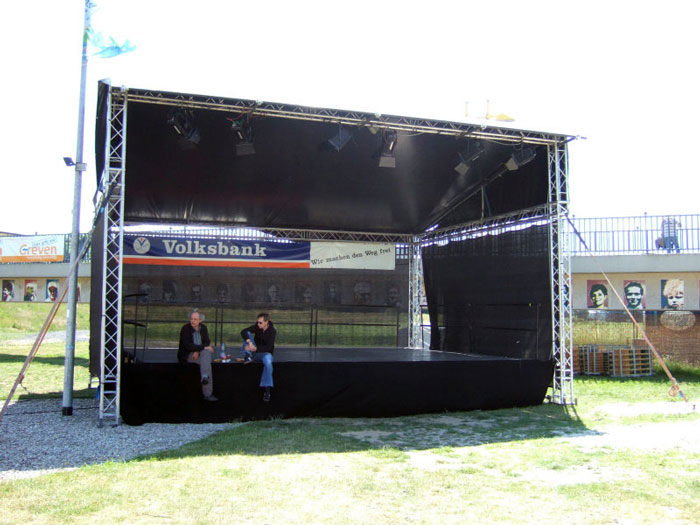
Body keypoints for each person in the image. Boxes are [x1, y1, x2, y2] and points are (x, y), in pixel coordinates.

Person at [178, 310, 217, 401]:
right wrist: (199, 349)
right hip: (187, 354)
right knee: (206, 361)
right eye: (191, 319)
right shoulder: (185, 329)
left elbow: (207, 342)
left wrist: (198, 350)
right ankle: (207, 394)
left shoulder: (203, 328)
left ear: (200, 320)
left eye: (195, 319)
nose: (192, 321)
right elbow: (188, 345)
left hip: (199, 353)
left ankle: (204, 377)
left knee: (206, 355)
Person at [237, 312, 276, 402]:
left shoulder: (272, 331)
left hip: (266, 354)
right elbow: (243, 331)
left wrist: (255, 348)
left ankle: (267, 391)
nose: (258, 324)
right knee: (247, 334)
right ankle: (248, 356)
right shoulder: (256, 327)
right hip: (254, 352)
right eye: (257, 322)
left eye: (260, 322)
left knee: (268, 363)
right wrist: (250, 343)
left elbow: (269, 347)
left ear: (266, 322)